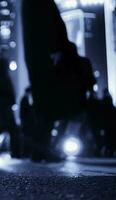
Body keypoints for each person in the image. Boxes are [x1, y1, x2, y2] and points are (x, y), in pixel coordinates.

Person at [22, 0, 95, 161]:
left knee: (46, 106)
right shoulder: (38, 4)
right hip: (48, 57)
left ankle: (41, 149)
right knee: (51, 104)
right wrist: (54, 49)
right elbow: (46, 24)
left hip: (42, 57)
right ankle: (43, 149)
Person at [0, 49, 21, 158]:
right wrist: (9, 98)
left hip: (3, 103)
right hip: (4, 103)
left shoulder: (0, 67)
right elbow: (2, 85)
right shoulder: (1, 67)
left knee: (4, 128)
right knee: (10, 129)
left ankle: (16, 152)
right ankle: (16, 152)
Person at [19, 87, 35, 157]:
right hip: (26, 122)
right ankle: (25, 152)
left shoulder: (26, 99)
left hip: (26, 122)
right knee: (26, 137)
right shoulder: (25, 99)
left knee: (26, 137)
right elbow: (23, 112)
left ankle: (26, 152)